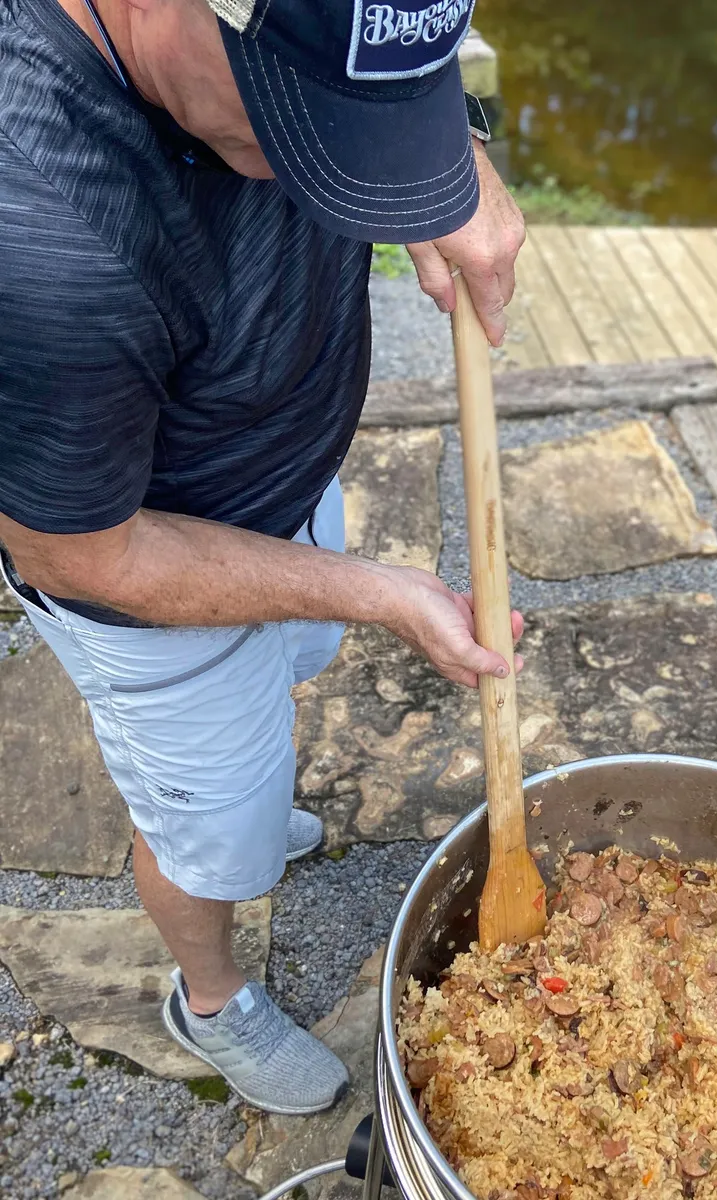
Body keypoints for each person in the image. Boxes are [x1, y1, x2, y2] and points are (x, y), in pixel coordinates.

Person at [0, 0, 525, 1114]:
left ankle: (247, 788)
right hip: (141, 586)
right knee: (212, 849)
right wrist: (380, 592)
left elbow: (392, 75)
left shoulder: (284, 45)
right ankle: (211, 996)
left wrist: (438, 162)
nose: (314, 184)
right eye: (290, 133)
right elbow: (75, 554)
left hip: (274, 477)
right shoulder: (36, 240)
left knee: (290, 668)